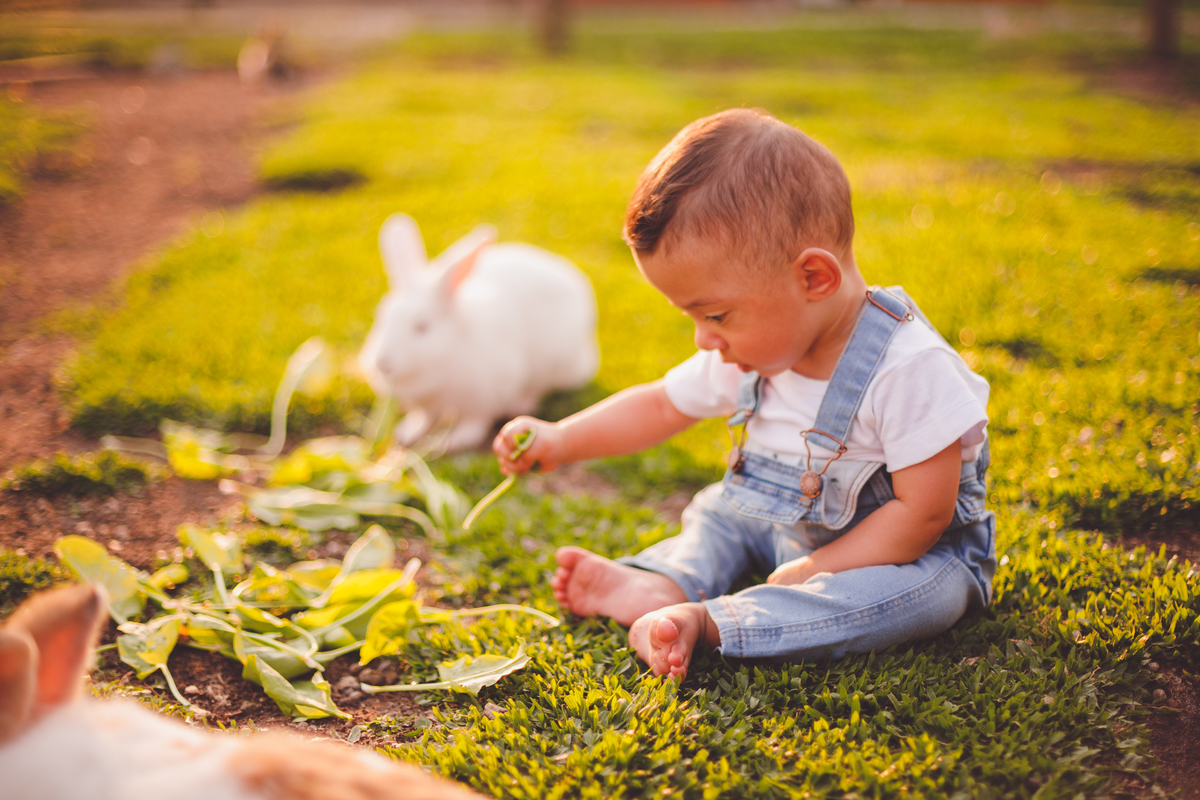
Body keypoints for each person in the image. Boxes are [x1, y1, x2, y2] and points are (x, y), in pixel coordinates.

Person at [491, 108, 995, 680]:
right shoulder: (749, 350)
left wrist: (816, 568)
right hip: (779, 525)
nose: (705, 338)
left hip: (900, 552)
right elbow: (660, 404)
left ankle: (716, 621)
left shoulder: (908, 370)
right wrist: (561, 439)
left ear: (813, 278)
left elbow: (921, 515)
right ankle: (664, 579)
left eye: (716, 314)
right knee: (721, 514)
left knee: (924, 597)